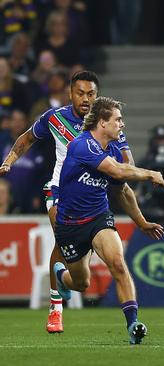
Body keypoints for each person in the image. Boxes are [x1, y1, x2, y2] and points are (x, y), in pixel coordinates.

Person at [0, 70, 133, 334]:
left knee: (81, 277)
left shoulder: (107, 123)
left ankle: (65, 280)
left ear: (97, 96)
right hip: (58, 191)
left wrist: (119, 166)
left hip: (92, 197)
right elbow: (27, 139)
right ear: (70, 94)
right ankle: (55, 307)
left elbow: (128, 163)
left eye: (91, 94)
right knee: (62, 239)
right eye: (80, 93)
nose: (85, 99)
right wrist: (9, 161)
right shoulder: (55, 118)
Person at [52, 96, 164, 345]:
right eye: (117, 119)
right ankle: (62, 278)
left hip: (98, 218)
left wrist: (141, 222)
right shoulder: (81, 145)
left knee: (118, 264)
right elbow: (116, 171)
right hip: (70, 225)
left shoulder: (113, 150)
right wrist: (150, 173)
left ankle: (133, 325)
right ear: (102, 123)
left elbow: (122, 190)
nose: (122, 124)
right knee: (81, 283)